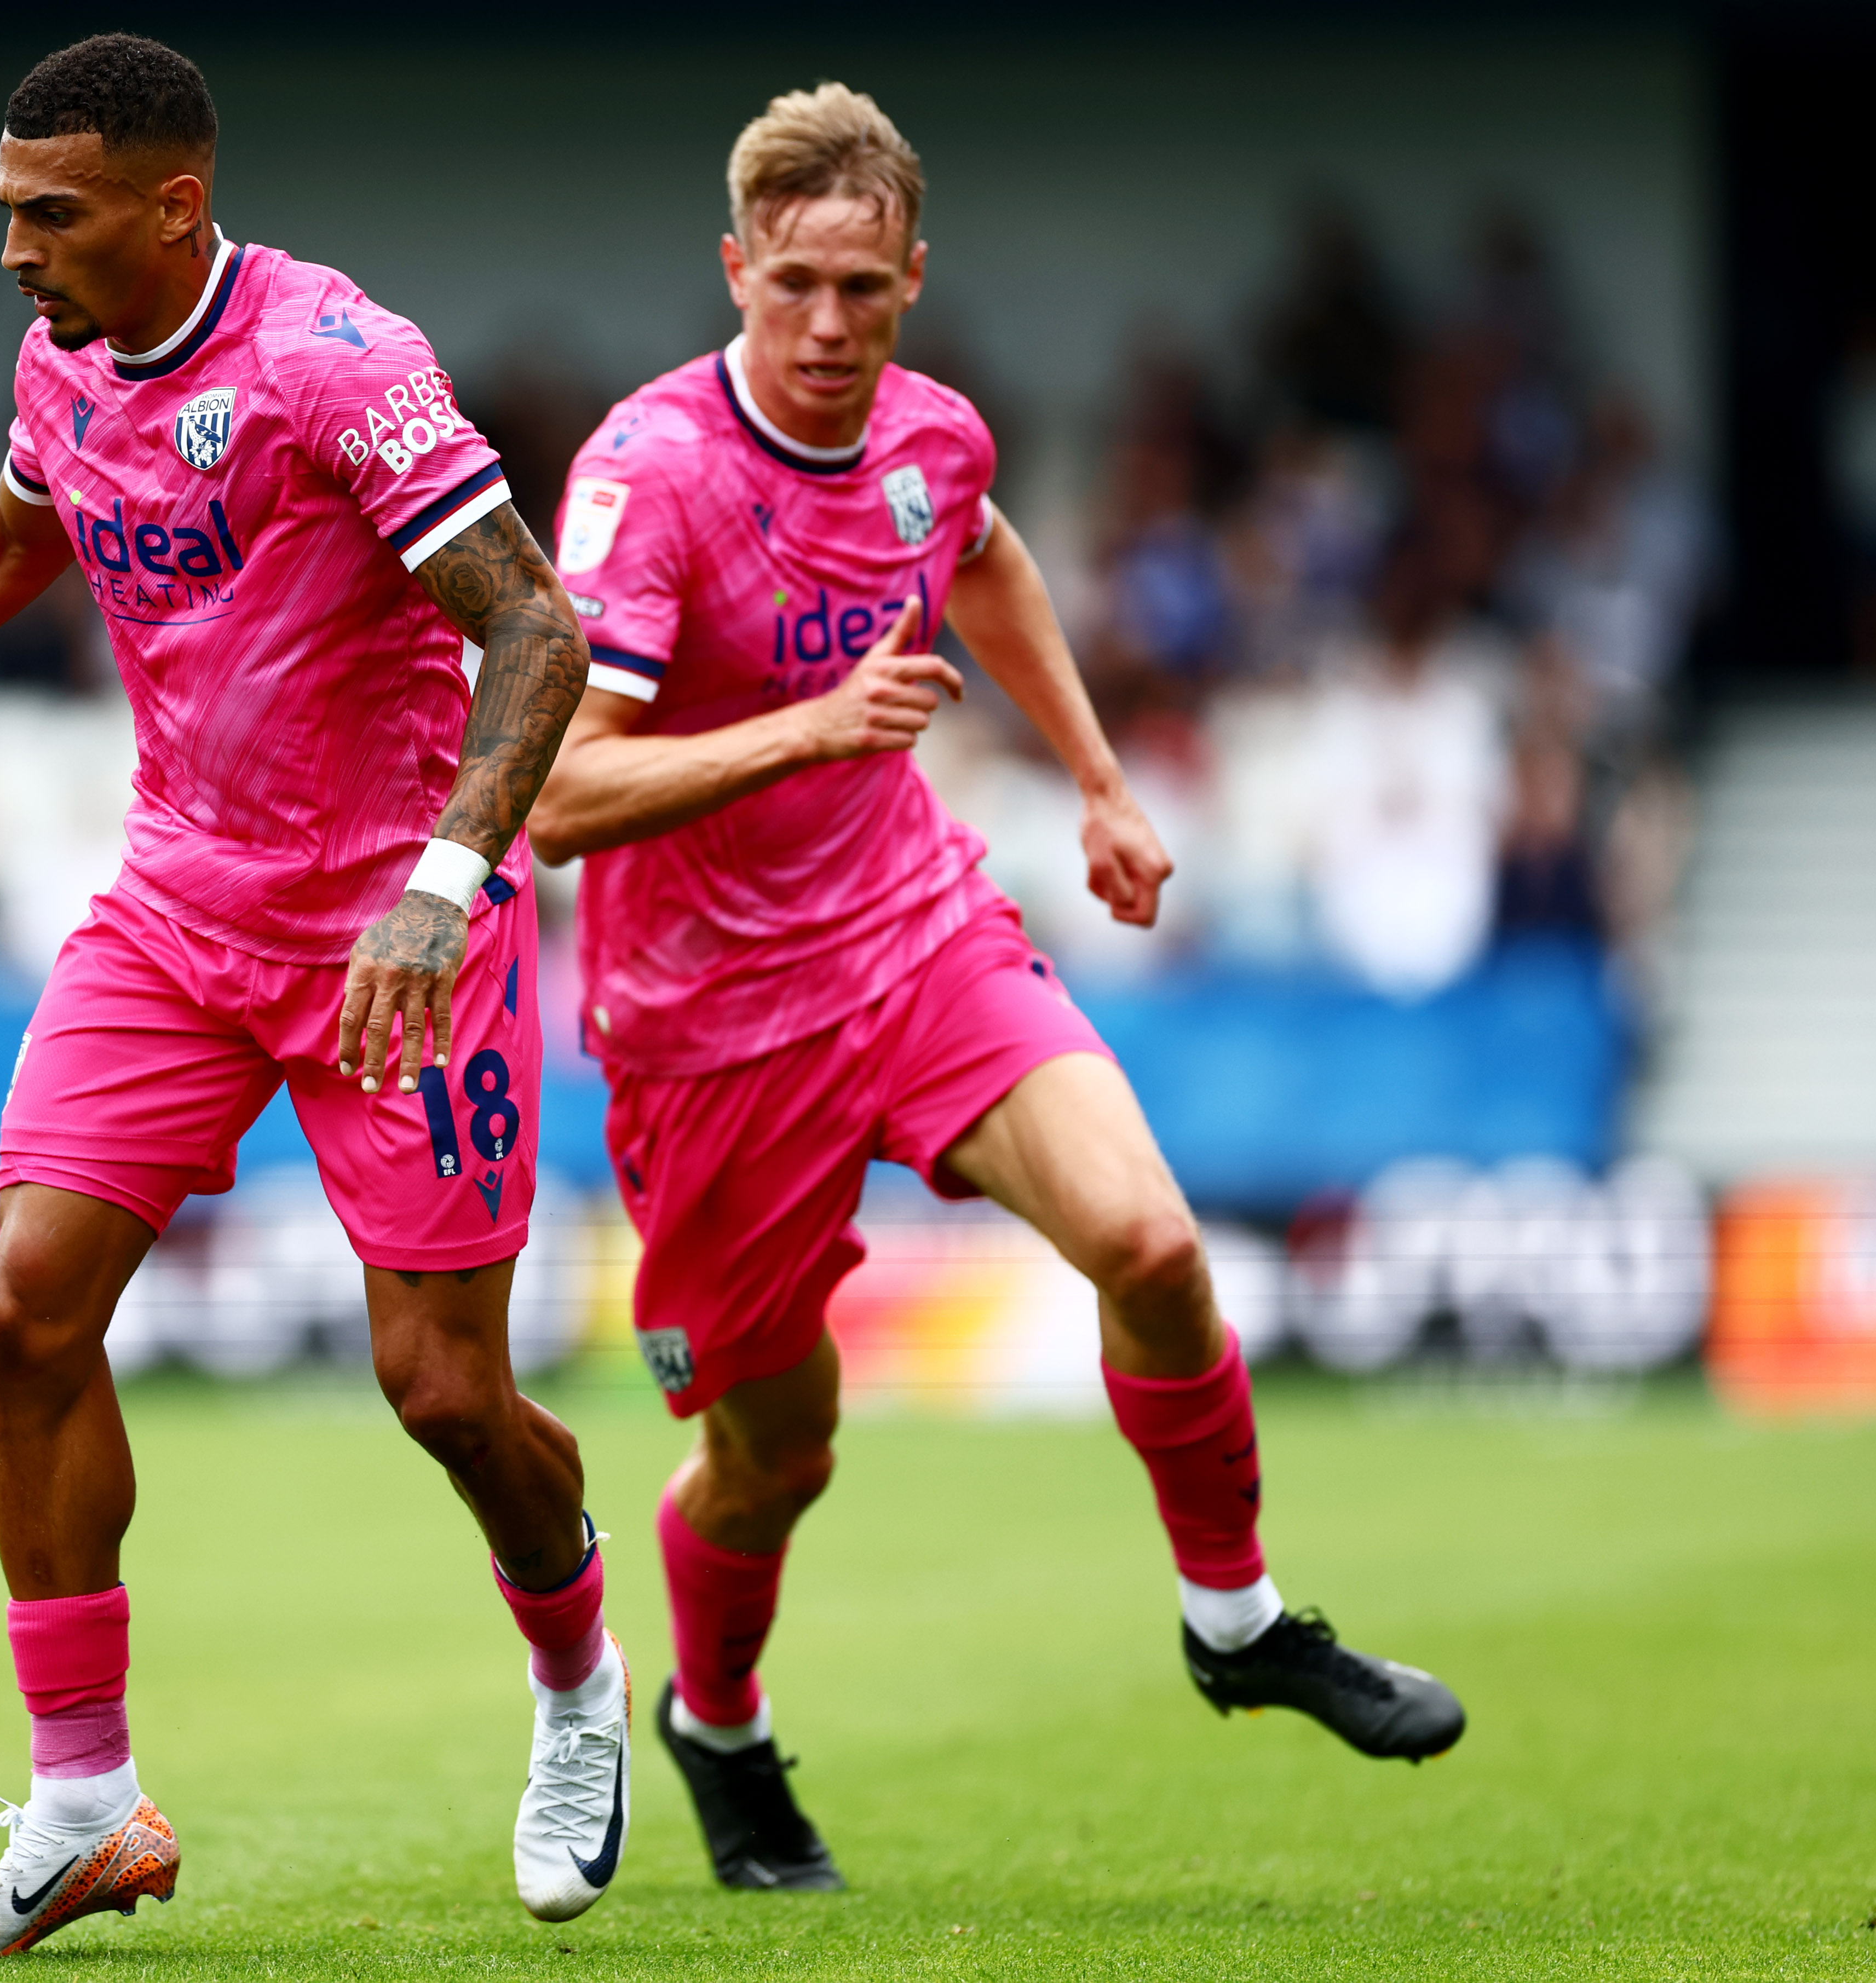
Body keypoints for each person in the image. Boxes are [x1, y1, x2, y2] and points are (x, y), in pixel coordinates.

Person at [0, 35, 619, 1951]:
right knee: (22, 1311)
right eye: (4, 209)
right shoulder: (65, 358)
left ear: (174, 206)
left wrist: (443, 882)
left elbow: (535, 627)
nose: (12, 248)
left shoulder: (337, 360)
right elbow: (21, 531)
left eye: (50, 213)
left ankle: (575, 1680)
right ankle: (84, 1797)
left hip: (389, 933)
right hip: (174, 907)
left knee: (440, 1392)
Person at [527, 83, 1466, 1896]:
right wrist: (807, 726)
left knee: (1152, 1247)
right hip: (709, 1035)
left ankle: (1237, 1620)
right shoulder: (649, 476)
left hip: (914, 937)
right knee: (770, 1460)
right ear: (733, 269)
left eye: (863, 289)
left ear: (910, 280)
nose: (825, 327)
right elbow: (559, 794)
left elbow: (983, 556)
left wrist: (1100, 780)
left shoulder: (931, 438)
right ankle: (714, 1722)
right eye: (792, 283)